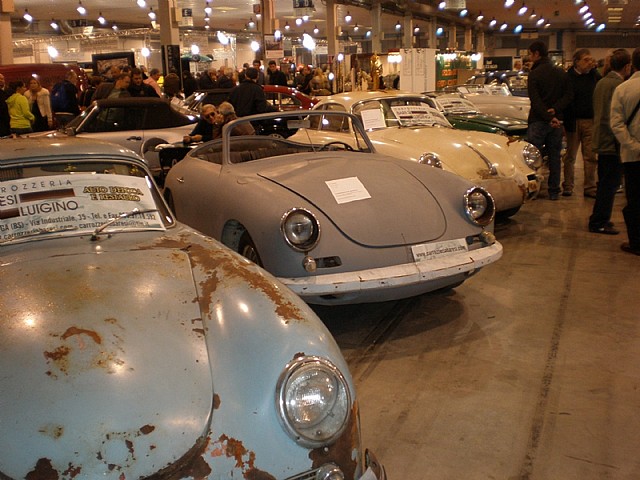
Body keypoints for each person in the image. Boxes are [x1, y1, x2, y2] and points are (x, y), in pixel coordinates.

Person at [588, 49, 632, 235]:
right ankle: (599, 221)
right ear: (627, 66)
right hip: (611, 142)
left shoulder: (602, 82)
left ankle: (600, 218)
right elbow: (614, 117)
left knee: (605, 182)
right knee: (609, 184)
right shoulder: (618, 85)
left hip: (602, 138)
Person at [526, 40, 573, 201]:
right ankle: (554, 191)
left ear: (536, 54)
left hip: (538, 121)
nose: (529, 57)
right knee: (554, 157)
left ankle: (532, 189)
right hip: (557, 122)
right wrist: (555, 111)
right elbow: (568, 95)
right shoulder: (561, 73)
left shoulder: (534, 74)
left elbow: (535, 100)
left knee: (532, 158)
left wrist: (547, 116)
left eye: (530, 54)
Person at [610, 47, 640, 255]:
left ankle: (636, 242)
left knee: (635, 200)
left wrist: (634, 146)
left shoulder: (623, 89)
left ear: (633, 64)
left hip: (632, 157)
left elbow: (617, 124)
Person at [561, 48, 601, 198]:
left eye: (591, 60)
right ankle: (568, 185)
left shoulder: (594, 76)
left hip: (590, 120)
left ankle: (590, 186)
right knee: (570, 156)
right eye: (586, 60)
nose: (589, 63)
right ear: (577, 62)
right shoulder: (568, 77)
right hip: (573, 121)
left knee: (590, 156)